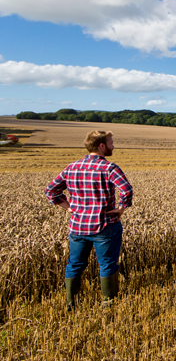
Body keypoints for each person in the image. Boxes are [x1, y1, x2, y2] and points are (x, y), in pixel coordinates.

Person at [45, 130, 133, 310]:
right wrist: (121, 208)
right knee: (107, 264)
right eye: (111, 143)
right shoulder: (109, 168)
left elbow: (51, 191)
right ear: (102, 146)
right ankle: (108, 303)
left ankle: (71, 303)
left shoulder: (72, 167)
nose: (113, 146)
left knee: (75, 264)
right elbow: (126, 190)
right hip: (105, 225)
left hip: (77, 226)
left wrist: (69, 208)